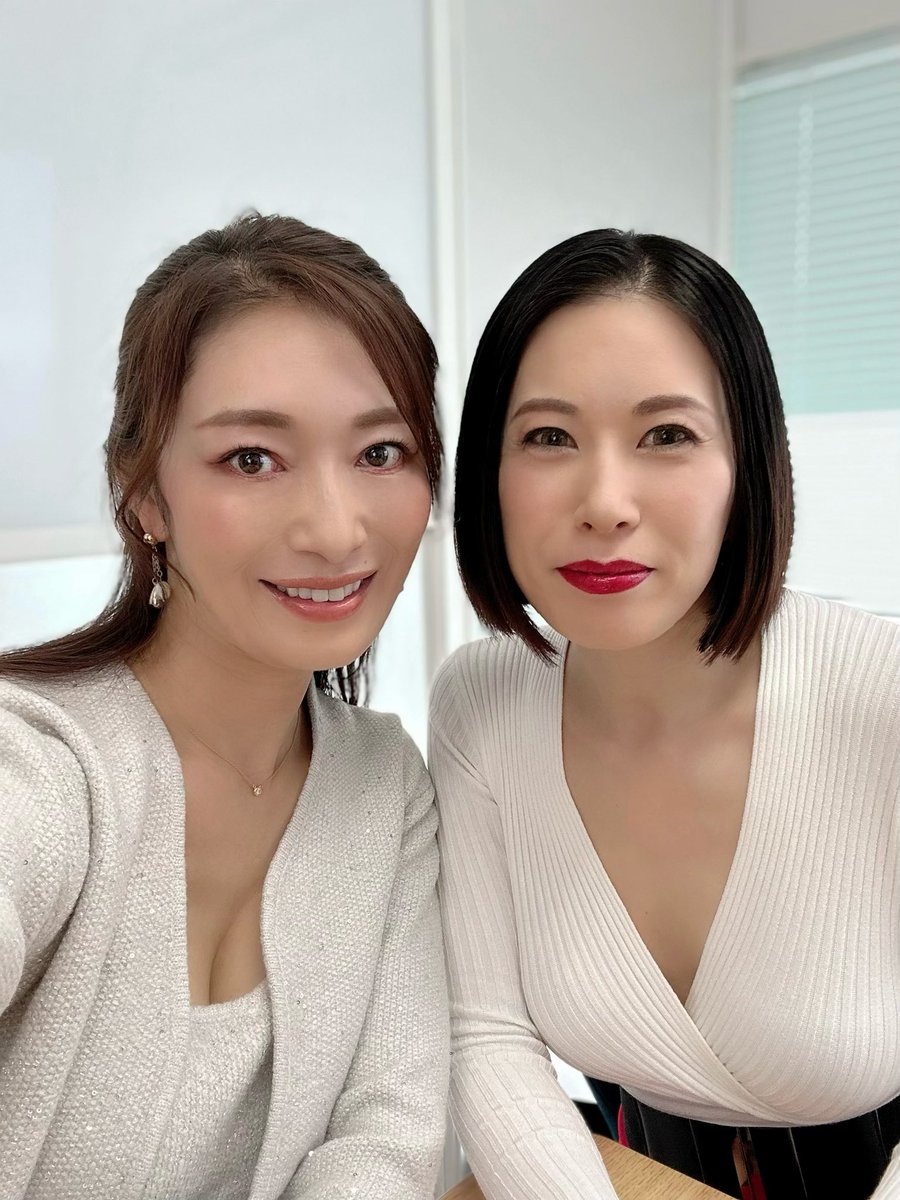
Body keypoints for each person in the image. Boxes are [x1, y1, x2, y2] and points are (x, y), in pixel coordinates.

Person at [429, 229, 900, 1200]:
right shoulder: (481, 704)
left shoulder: (882, 693)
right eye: (548, 437)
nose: (605, 503)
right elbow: (488, 1035)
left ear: (747, 465)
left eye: (667, 435)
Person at [0, 213, 449, 1200]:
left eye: (381, 453)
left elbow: (390, 1134)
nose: (336, 530)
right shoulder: (38, 766)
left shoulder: (384, 786)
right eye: (252, 458)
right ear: (143, 495)